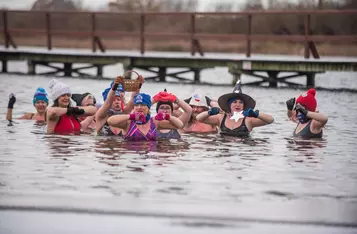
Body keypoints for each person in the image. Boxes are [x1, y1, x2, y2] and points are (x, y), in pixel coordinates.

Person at [196, 82, 274, 137]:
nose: (237, 105)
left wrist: (256, 114)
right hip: (226, 150)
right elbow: (199, 118)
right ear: (229, 105)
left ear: (244, 105)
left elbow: (270, 120)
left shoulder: (248, 120)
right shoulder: (221, 118)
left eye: (241, 102)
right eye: (234, 102)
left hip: (243, 152)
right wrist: (210, 112)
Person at [107, 93, 184, 141]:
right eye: (136, 105)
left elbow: (179, 125)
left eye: (143, 105)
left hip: (148, 159)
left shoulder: (155, 122)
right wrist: (131, 116)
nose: (139, 107)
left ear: (148, 107)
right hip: (131, 156)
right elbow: (110, 121)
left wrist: (167, 116)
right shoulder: (128, 122)